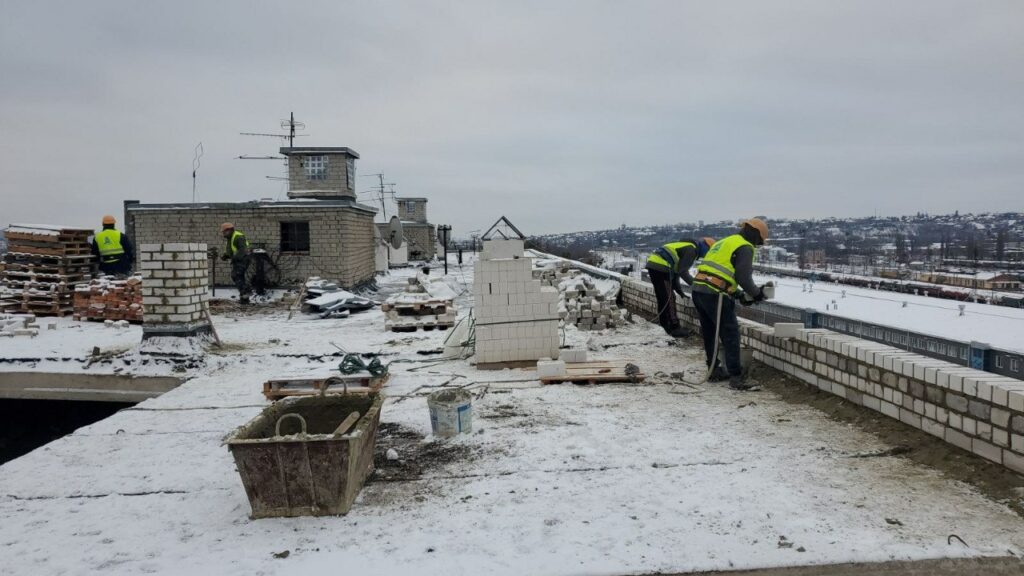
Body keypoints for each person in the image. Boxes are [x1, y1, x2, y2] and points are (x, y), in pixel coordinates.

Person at [691, 218, 772, 390]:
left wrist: (739, 295)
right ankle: (736, 377)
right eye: (759, 242)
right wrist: (757, 294)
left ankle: (713, 370)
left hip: (699, 290)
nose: (757, 246)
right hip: (715, 294)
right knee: (730, 333)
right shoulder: (745, 246)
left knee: (710, 332)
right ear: (756, 235)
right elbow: (743, 277)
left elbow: (721, 272)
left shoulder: (726, 241)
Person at [644, 237, 715, 338]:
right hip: (661, 267)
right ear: (705, 247)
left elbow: (677, 272)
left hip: (654, 265)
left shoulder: (685, 246)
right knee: (669, 298)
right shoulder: (692, 250)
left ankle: (665, 324)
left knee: (663, 297)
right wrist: (697, 286)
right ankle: (674, 328)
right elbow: (683, 272)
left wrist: (679, 290)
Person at [220, 223, 251, 304]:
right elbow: (232, 250)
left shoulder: (238, 237)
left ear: (229, 230)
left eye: (224, 232)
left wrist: (234, 258)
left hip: (243, 258)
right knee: (239, 277)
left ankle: (247, 290)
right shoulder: (230, 238)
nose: (223, 233)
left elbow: (242, 250)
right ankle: (244, 298)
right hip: (239, 259)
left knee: (236, 275)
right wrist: (226, 256)